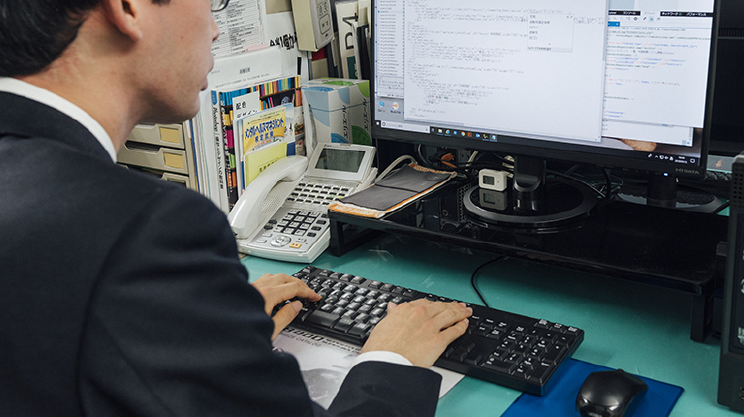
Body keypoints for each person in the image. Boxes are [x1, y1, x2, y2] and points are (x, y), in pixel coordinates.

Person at [0, 0, 473, 415]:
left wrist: (203, 329)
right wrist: (391, 360)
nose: (214, 30)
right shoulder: (148, 228)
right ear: (129, 7)